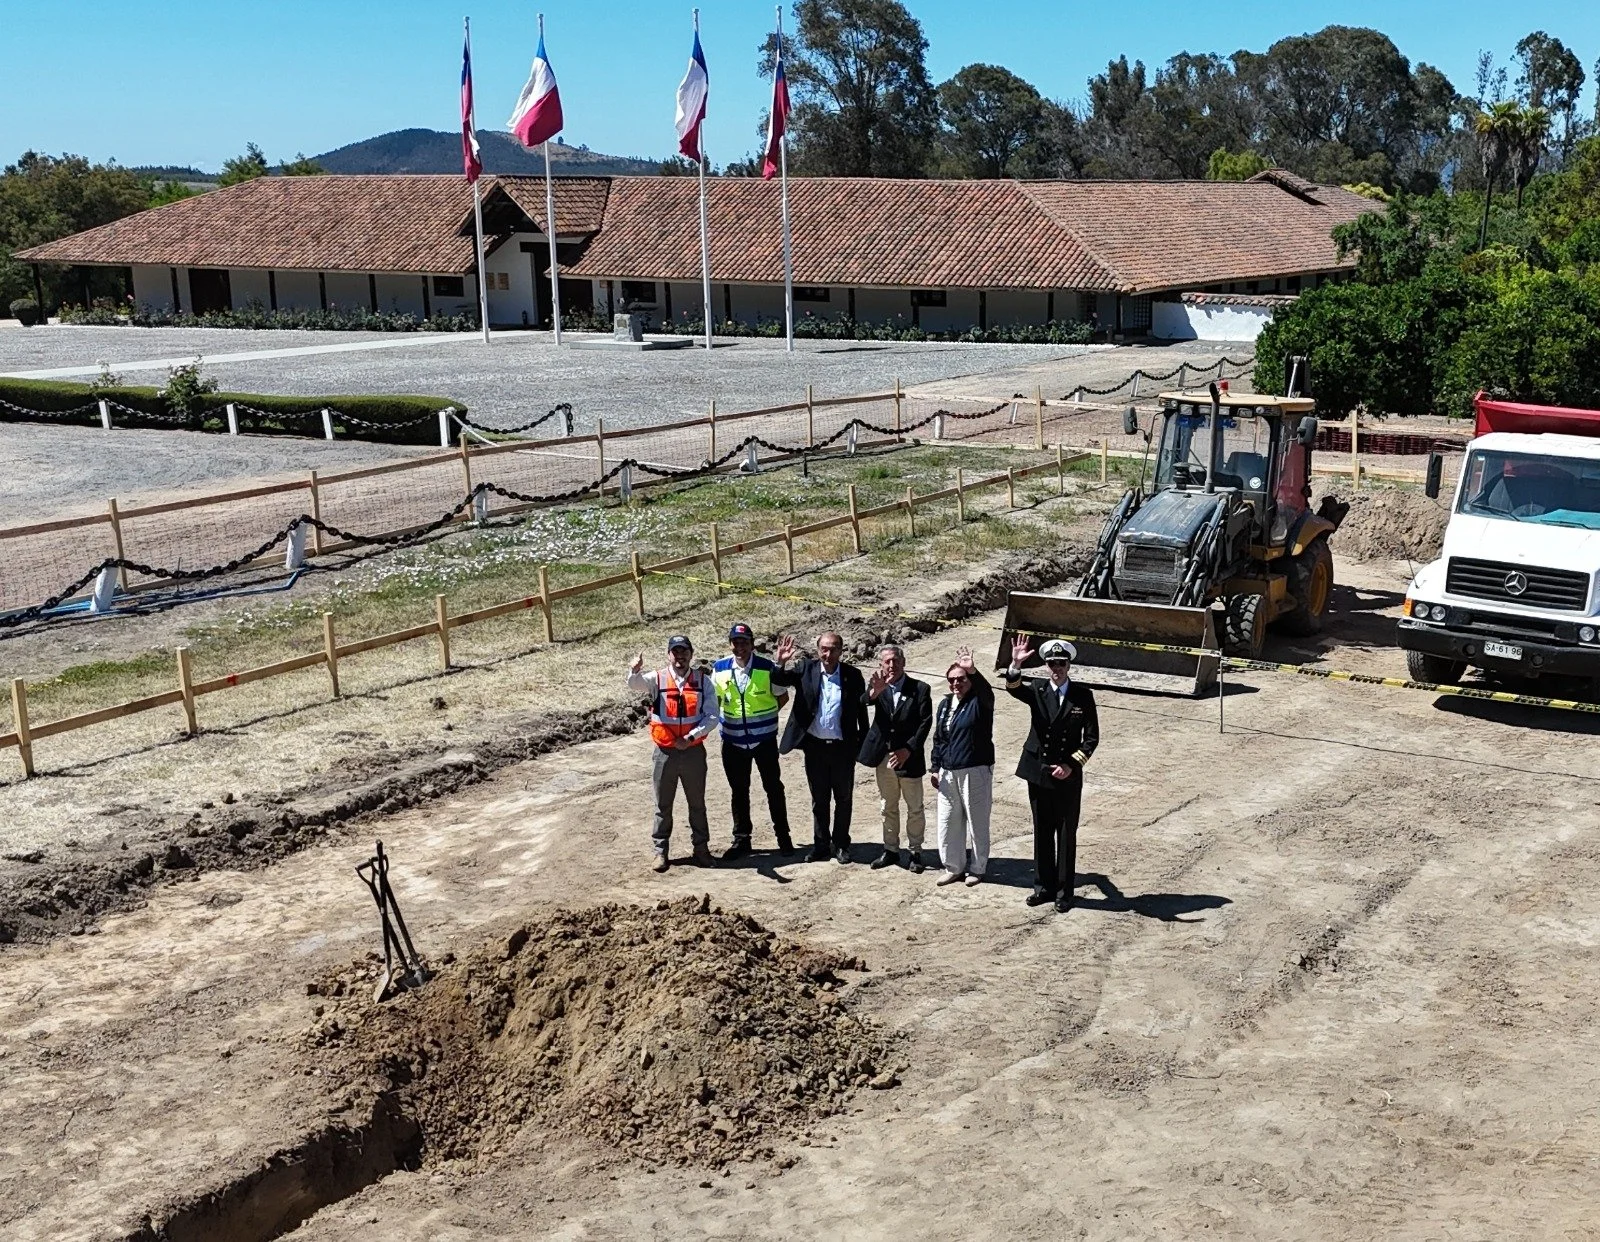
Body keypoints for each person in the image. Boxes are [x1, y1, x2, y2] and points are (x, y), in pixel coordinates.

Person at [1004, 634, 1100, 912]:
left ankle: (1064, 892)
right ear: (1045, 665)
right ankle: (1043, 887)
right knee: (1042, 831)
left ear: (1069, 665)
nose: (1056, 668)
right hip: (1040, 772)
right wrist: (1015, 664)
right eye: (1051, 663)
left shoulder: (1083, 696)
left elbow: (1091, 739)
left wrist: (1071, 764)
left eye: (1061, 663)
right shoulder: (1037, 690)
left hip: (1068, 775)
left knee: (1066, 834)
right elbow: (1013, 687)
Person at [773, 632, 869, 864]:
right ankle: (820, 845)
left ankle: (841, 844)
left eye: (833, 649)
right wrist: (780, 661)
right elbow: (779, 681)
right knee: (819, 799)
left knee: (844, 798)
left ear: (841, 651)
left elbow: (861, 712)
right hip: (815, 747)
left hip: (842, 748)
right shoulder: (806, 669)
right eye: (824, 649)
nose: (828, 654)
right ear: (817, 650)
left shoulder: (852, 675)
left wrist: (862, 745)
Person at [627, 635, 717, 872]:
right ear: (669, 655)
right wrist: (634, 670)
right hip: (664, 753)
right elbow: (634, 684)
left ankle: (701, 849)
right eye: (675, 652)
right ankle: (660, 852)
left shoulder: (702, 681)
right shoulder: (657, 678)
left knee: (697, 804)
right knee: (662, 805)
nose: (680, 656)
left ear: (691, 654)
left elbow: (712, 716)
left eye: (684, 651)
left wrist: (690, 737)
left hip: (693, 752)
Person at [711, 623, 794, 859]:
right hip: (733, 742)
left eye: (744, 642)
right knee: (739, 791)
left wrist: (763, 721)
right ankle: (741, 840)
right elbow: (715, 702)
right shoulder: (719, 669)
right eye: (736, 643)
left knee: (773, 788)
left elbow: (782, 697)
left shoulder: (767, 667)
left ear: (752, 643)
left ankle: (783, 837)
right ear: (730, 644)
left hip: (763, 741)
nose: (740, 647)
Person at [859, 643, 933, 872]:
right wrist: (875, 691)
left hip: (908, 757)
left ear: (903, 663)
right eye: (887, 661)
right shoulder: (878, 686)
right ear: (881, 664)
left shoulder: (920, 688)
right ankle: (890, 849)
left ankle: (915, 852)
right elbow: (864, 701)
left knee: (915, 807)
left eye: (896, 661)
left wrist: (908, 749)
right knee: (888, 806)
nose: (892, 665)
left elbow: (925, 722)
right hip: (884, 758)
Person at [928, 645, 995, 887]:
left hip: (975, 769)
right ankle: (953, 867)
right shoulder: (945, 705)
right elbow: (939, 738)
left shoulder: (980, 702)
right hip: (947, 772)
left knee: (977, 821)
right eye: (952, 680)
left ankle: (977, 868)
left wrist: (973, 670)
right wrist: (935, 767)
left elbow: (986, 691)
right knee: (948, 821)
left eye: (961, 679)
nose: (957, 684)